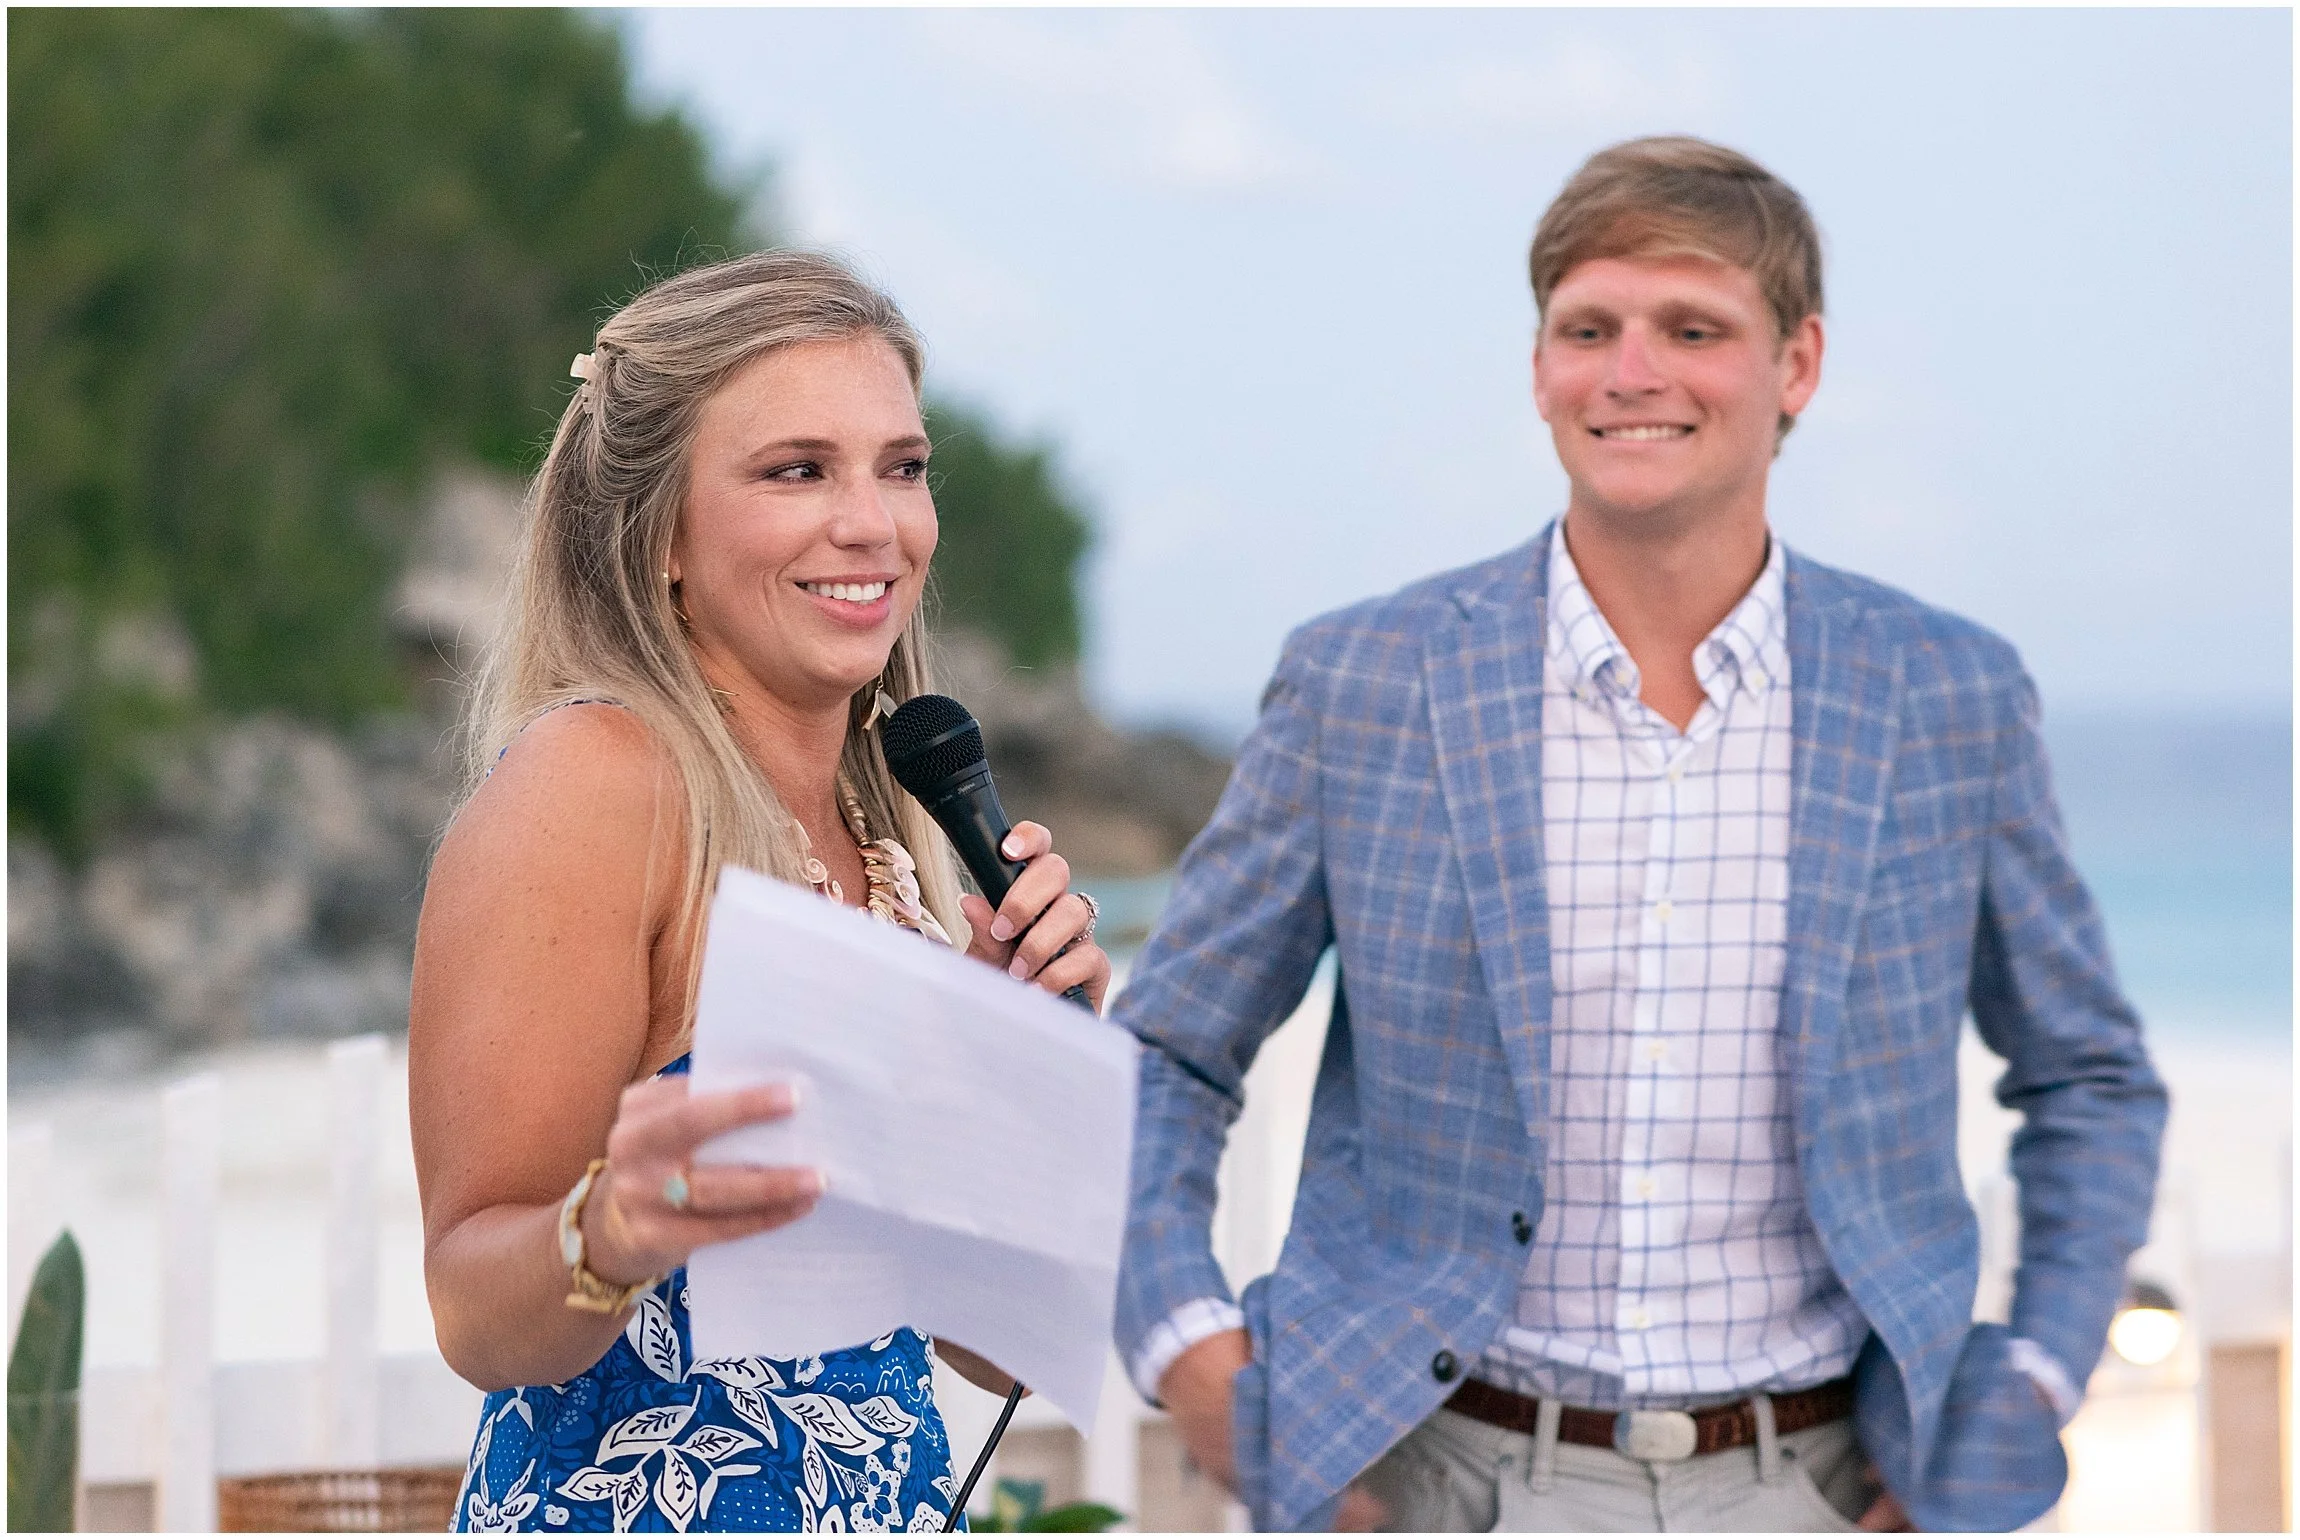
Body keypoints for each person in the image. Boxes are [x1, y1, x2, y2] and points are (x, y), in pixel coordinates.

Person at [1113, 136, 2166, 1532]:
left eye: (1694, 329)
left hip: (1829, 1485)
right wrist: (1192, 1358)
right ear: (1540, 365)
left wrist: (2025, 1384)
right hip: (1432, 1481)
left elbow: (2087, 1075)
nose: (1632, 373)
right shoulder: (1366, 681)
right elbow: (1167, 1050)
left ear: (1796, 366)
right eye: (1587, 328)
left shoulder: (1945, 694)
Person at [411, 249, 1111, 1534]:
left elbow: (991, 1358)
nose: (873, 523)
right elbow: (471, 1308)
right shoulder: (597, 785)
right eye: (798, 470)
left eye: (901, 466)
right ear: (658, 533)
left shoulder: (888, 827)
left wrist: (1015, 1067)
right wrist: (610, 1225)